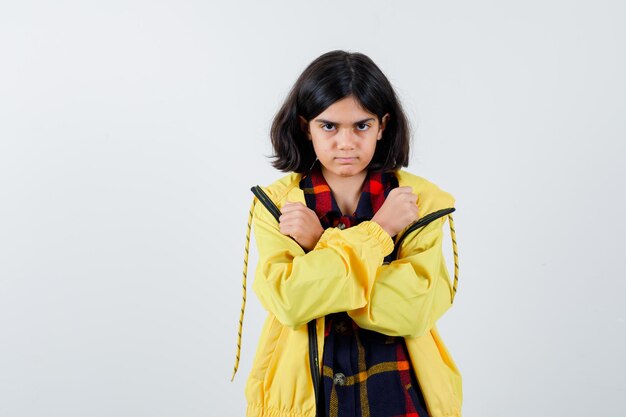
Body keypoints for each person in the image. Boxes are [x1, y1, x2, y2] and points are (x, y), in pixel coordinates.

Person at [231, 50, 462, 417]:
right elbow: (292, 303)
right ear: (306, 126)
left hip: (398, 395)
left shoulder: (419, 203)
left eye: (361, 125)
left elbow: (413, 311)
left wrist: (318, 246)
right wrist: (381, 231)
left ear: (382, 125)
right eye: (329, 126)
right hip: (309, 400)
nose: (346, 142)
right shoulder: (279, 205)